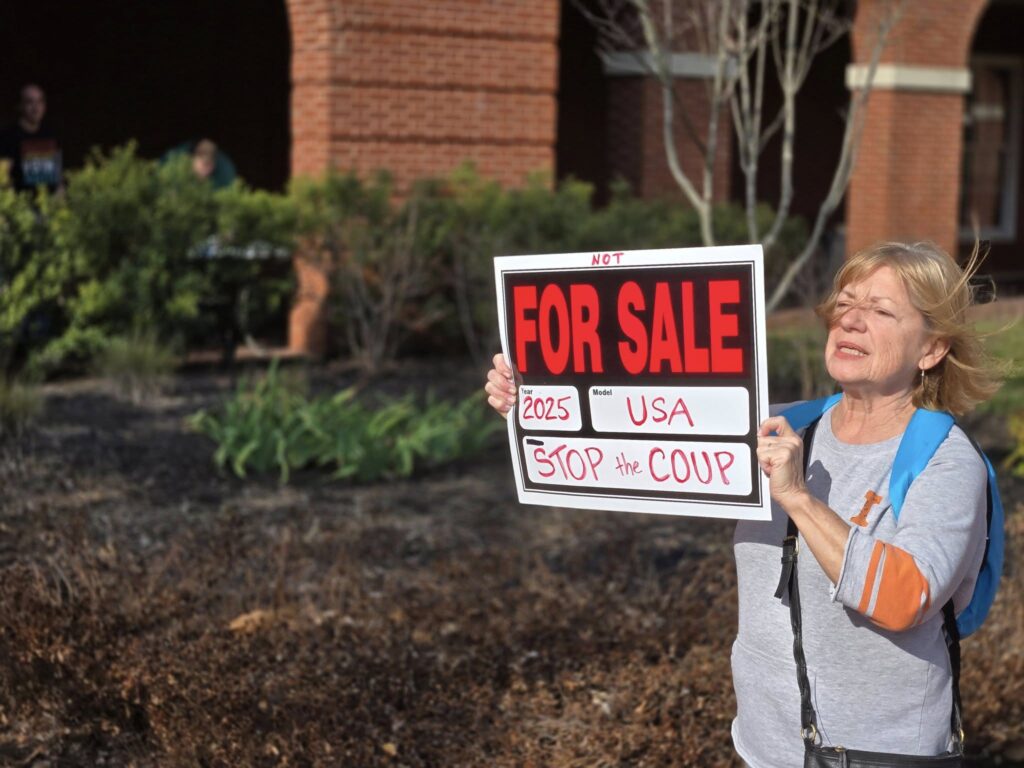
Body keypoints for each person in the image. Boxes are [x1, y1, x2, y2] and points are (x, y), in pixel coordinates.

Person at [484, 241, 1002, 766]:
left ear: (932, 349)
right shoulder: (778, 423)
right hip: (763, 745)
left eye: (882, 310)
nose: (851, 321)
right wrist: (530, 397)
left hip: (882, 753)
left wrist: (798, 497)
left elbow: (905, 597)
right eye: (845, 304)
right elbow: (627, 427)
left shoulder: (946, 460)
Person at [0, 83, 63, 193]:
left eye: (40, 101)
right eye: (30, 102)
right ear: (20, 106)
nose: (36, 107)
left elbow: (57, 176)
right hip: (22, 205)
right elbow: (3, 177)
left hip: (49, 205)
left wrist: (60, 196)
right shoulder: (8, 136)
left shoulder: (50, 134)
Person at [162, 137, 237, 189]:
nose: (205, 171)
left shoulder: (225, 173)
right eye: (203, 165)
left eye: (208, 166)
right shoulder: (175, 158)